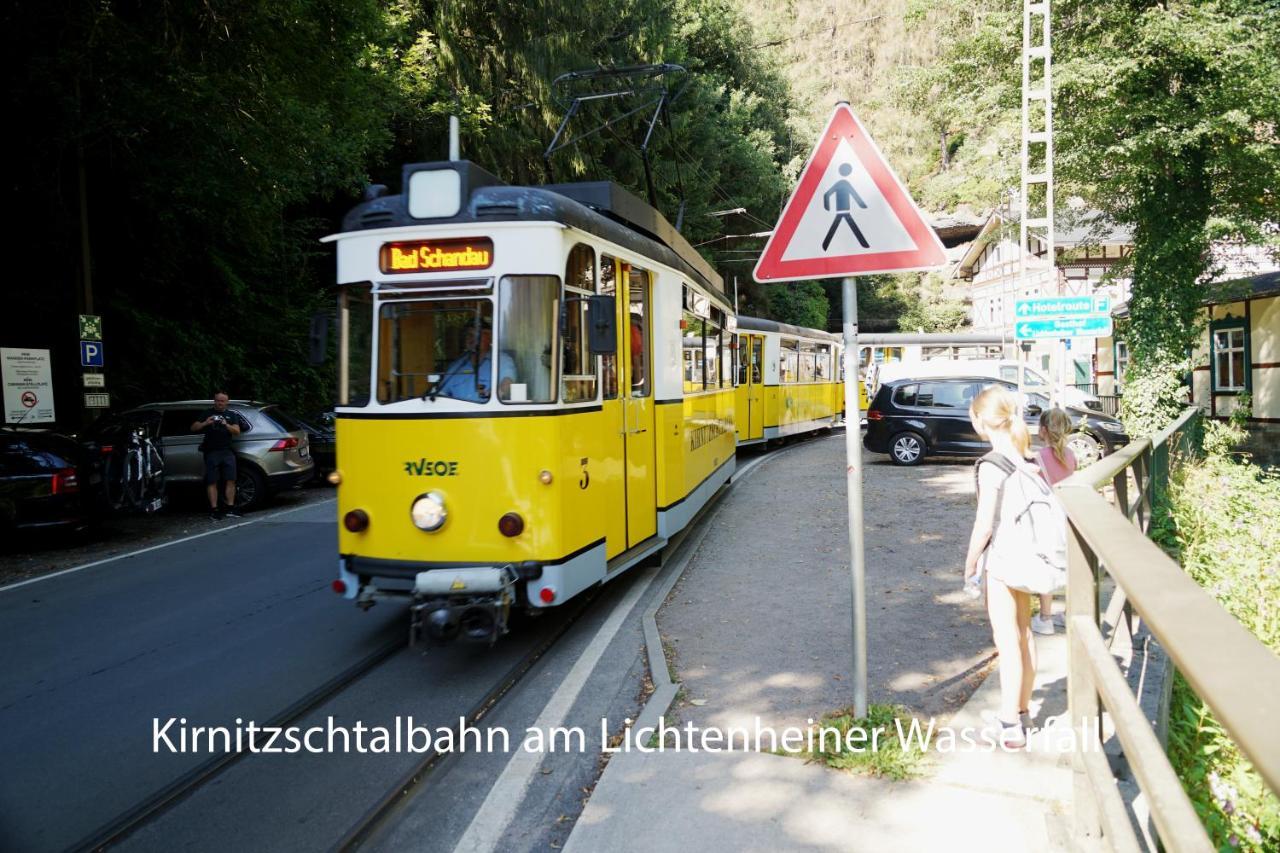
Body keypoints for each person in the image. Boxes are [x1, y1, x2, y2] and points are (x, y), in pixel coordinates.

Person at [963, 386, 1039, 748]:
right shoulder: (1029, 458)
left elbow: (984, 525)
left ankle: (1009, 724)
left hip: (1005, 561)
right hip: (1032, 557)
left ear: (980, 421)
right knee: (1025, 635)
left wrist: (970, 563)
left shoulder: (992, 465)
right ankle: (1023, 710)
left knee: (1006, 640)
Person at [1030, 407, 1077, 636]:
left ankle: (1045, 618)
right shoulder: (1071, 456)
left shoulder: (1037, 458)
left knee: (1046, 564)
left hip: (1047, 517)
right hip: (1069, 514)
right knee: (1071, 565)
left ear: (1043, 430)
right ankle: (1069, 615)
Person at [191, 392, 249, 520]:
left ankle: (230, 508)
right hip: (211, 451)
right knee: (212, 481)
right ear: (214, 401)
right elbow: (194, 428)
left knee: (231, 479)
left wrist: (226, 424)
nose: (220, 403)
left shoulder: (231, 414)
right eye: (218, 400)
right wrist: (206, 423)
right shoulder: (207, 413)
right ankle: (214, 509)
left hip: (227, 451)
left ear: (227, 402)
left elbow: (237, 432)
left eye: (223, 401)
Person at [435, 321, 516, 402]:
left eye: (478, 335)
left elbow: (507, 382)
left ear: (490, 337)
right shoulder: (456, 365)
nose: (473, 339)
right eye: (469, 335)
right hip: (457, 413)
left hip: (488, 412)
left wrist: (495, 396)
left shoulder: (501, 360)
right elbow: (441, 393)